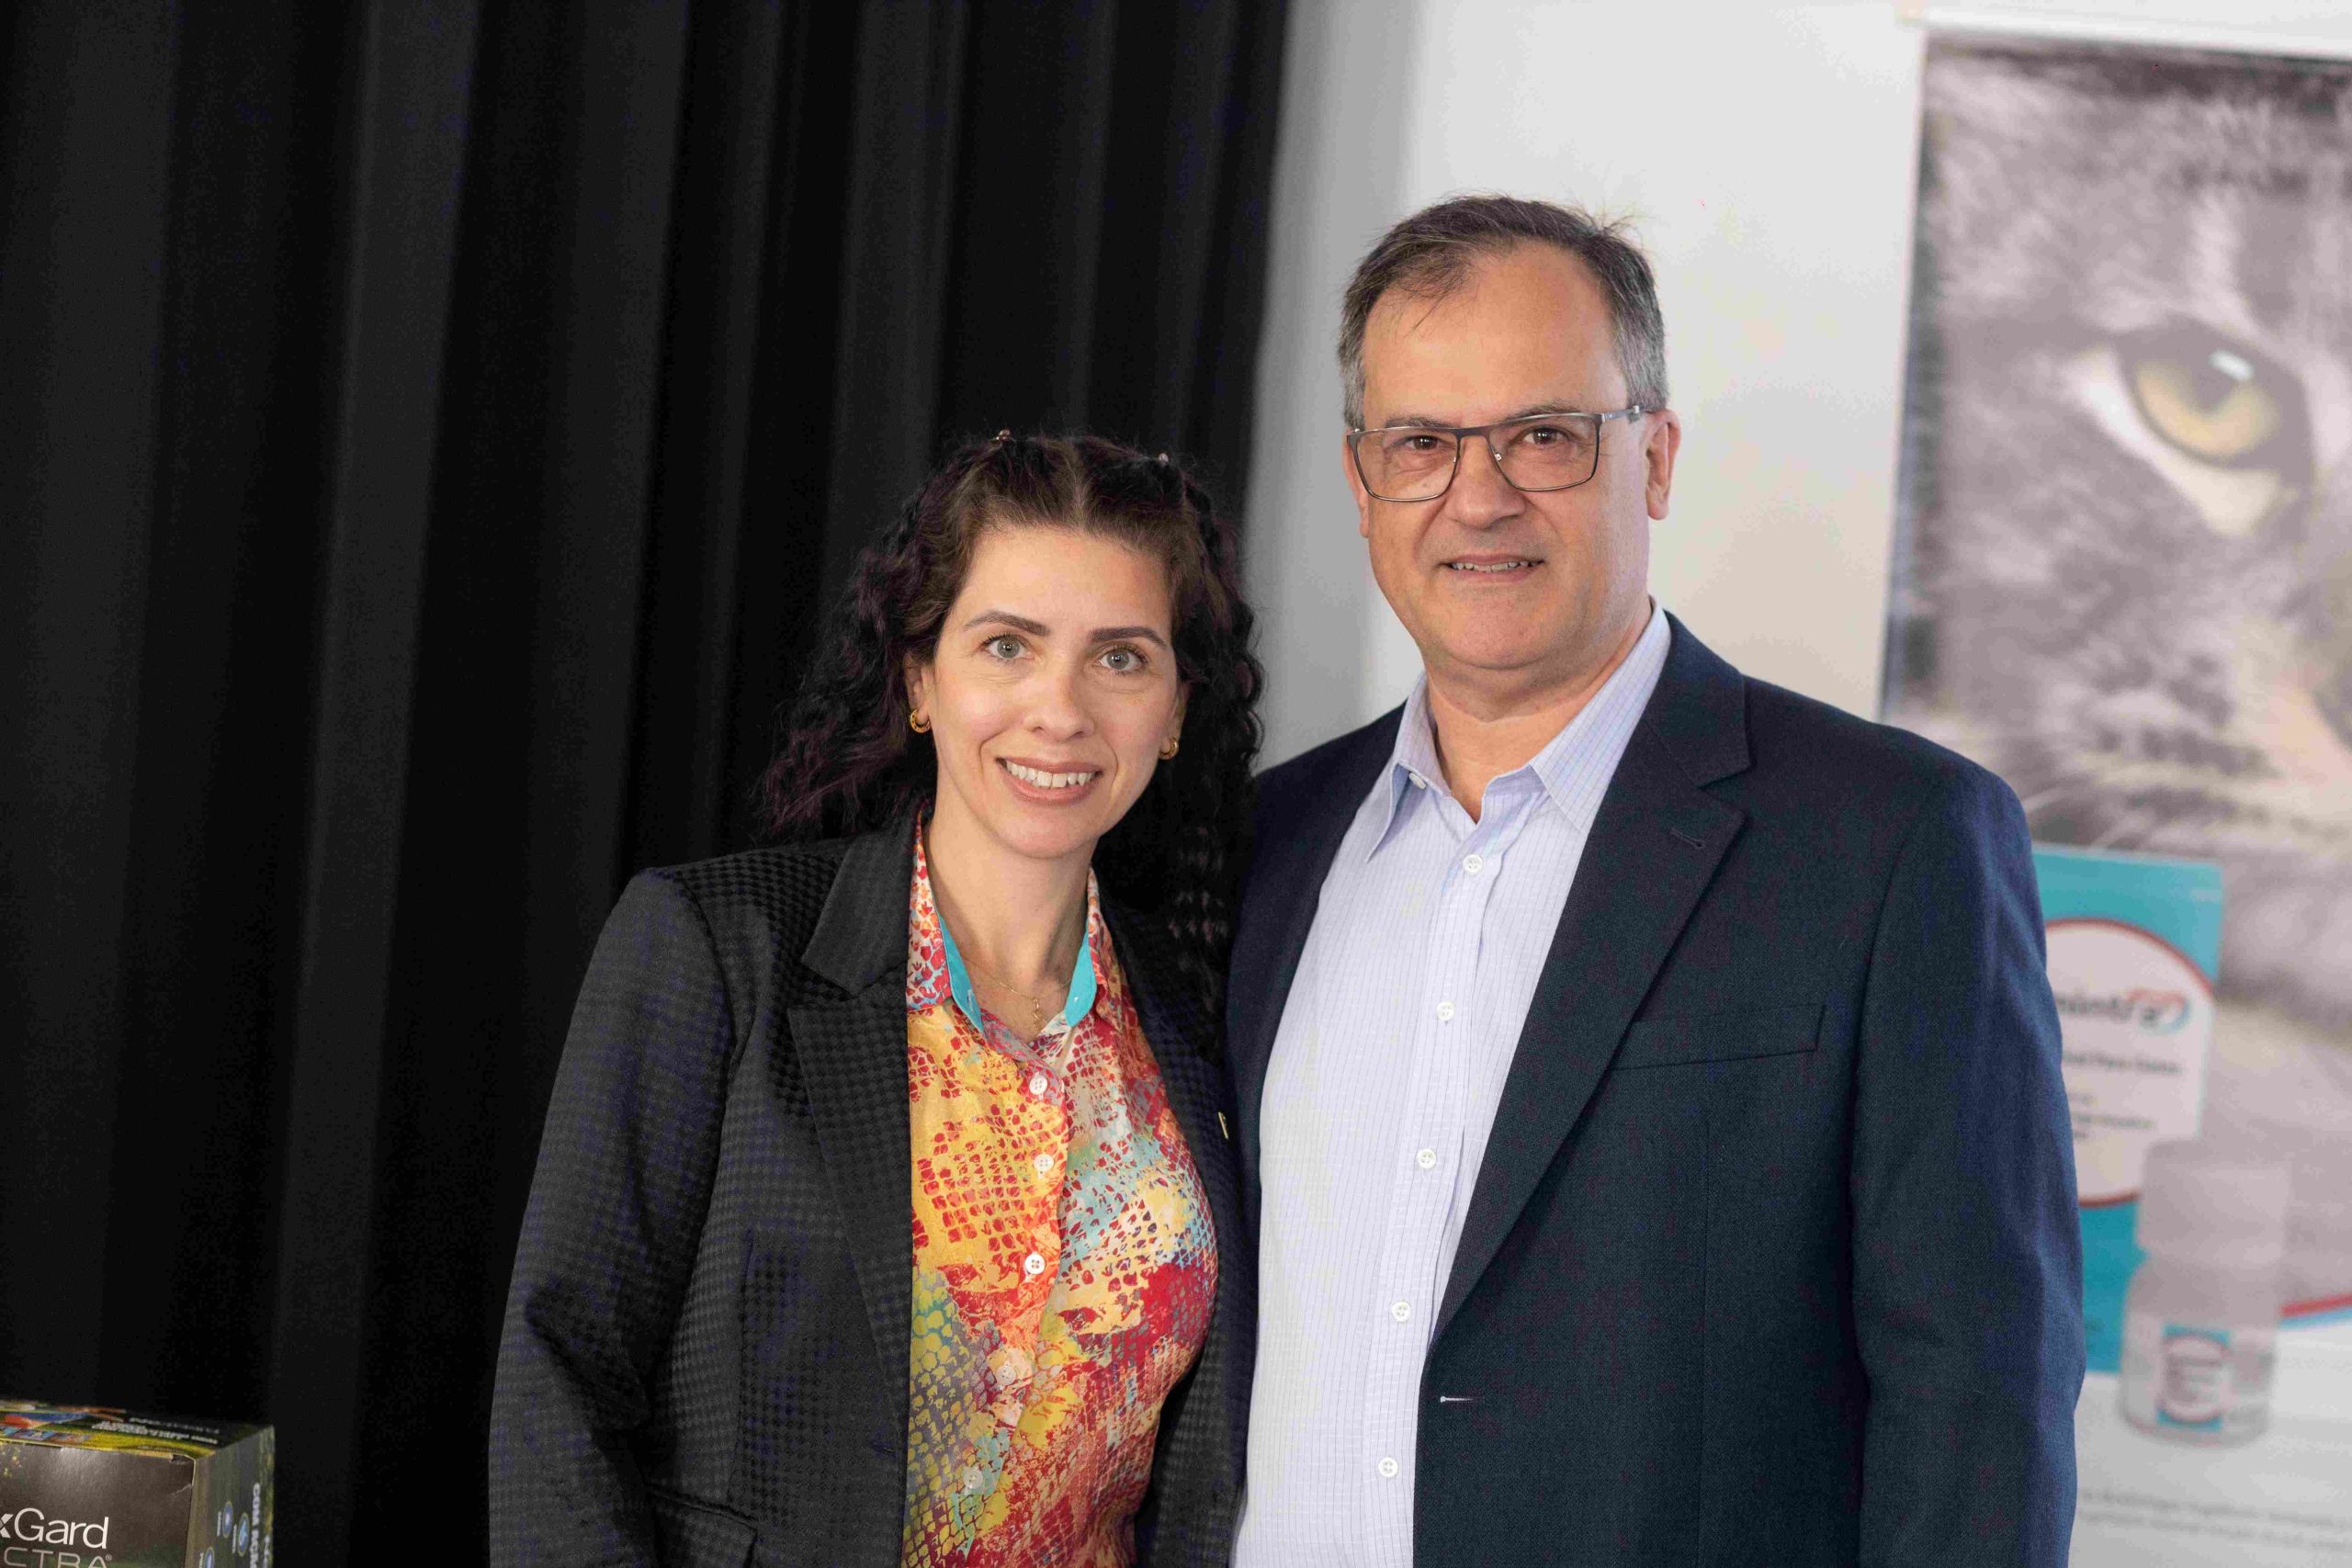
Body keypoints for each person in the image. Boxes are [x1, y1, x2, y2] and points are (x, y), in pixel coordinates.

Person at [1228, 196, 2084, 1566]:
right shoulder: (1261, 847)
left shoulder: (1893, 842)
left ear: (1657, 457)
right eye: (1422, 443)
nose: (1479, 496)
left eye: (1544, 435)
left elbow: (1978, 1400)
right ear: (1362, 481)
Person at [490, 434, 1261, 1566]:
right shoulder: (717, 948)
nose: (1059, 710)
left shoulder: (1201, 1018)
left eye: (1120, 658)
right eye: (1006, 645)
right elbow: (558, 1381)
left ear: (1177, 708)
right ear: (919, 678)